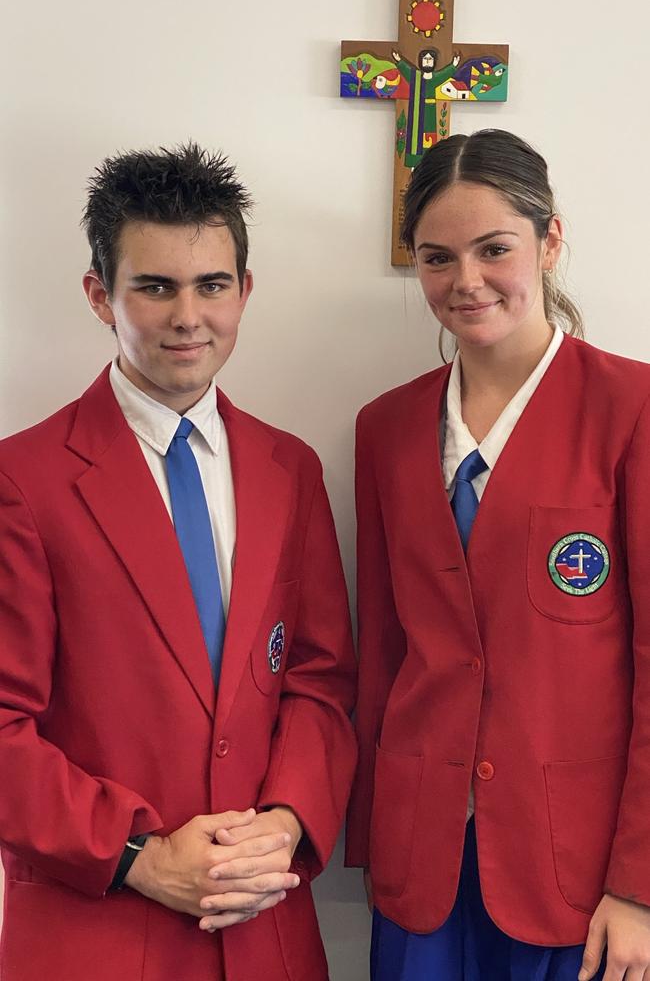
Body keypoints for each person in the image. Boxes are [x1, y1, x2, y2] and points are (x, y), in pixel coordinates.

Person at [0, 143, 357, 981]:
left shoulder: (291, 469)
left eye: (212, 285)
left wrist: (287, 821)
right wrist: (139, 855)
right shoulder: (24, 479)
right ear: (100, 295)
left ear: (245, 289)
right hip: (98, 927)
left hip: (264, 924)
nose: (187, 316)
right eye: (154, 287)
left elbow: (319, 679)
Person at [346, 128, 650, 980]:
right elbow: (384, 655)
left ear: (550, 240)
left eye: (494, 250)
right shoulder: (388, 428)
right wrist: (375, 838)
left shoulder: (631, 409)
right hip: (425, 859)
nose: (465, 281)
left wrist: (640, 887)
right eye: (438, 258)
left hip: (577, 870)